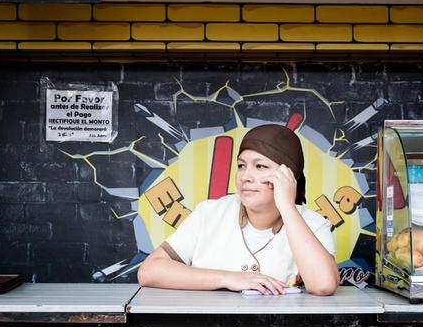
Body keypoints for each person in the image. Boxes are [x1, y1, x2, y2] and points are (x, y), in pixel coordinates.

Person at [138, 124, 340, 296]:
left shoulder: (313, 223)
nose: (245, 176)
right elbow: (149, 271)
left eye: (260, 166)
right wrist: (228, 278)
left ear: (288, 175)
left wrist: (287, 206)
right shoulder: (208, 213)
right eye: (242, 165)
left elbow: (323, 285)